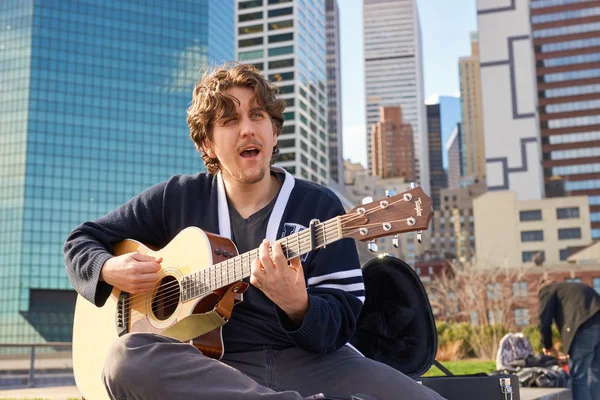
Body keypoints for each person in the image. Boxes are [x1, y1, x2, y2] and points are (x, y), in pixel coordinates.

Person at [64, 62, 444, 400]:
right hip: (211, 371)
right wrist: (108, 269)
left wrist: (299, 305)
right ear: (208, 143)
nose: (247, 129)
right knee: (123, 360)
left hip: (313, 365)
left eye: (257, 115)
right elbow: (82, 240)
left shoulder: (320, 208)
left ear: (274, 132)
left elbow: (339, 326)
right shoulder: (176, 198)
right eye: (230, 121)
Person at [538, 278, 600, 400]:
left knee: (578, 377)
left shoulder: (547, 289)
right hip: (596, 319)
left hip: (584, 326)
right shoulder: (570, 288)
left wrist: (547, 345)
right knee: (596, 374)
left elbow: (544, 321)